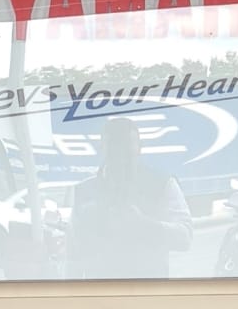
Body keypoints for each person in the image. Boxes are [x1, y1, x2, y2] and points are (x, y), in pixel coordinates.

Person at [68, 115, 193, 278]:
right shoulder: (83, 191)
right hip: (102, 290)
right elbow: (72, 255)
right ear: (102, 148)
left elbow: (185, 238)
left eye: (126, 147)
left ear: (140, 147)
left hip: (149, 289)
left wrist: (144, 225)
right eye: (114, 146)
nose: (120, 154)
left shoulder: (163, 184)